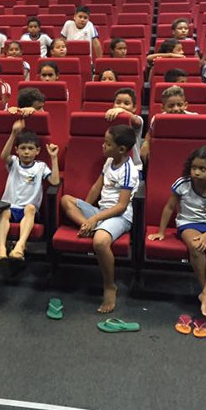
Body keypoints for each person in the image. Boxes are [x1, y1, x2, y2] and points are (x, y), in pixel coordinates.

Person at [60, 125, 139, 313]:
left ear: (121, 149)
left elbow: (121, 206)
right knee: (66, 200)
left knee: (100, 242)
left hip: (119, 216)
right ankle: (87, 226)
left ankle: (110, 286)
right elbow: (96, 188)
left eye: (108, 143)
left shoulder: (129, 171)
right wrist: (86, 213)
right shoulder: (109, 162)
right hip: (101, 212)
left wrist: (94, 218)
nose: (103, 146)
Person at [148, 146, 206, 318]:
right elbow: (169, 207)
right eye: (194, 168)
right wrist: (161, 231)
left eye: (203, 169)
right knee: (196, 246)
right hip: (188, 223)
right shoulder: (182, 184)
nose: (196, 172)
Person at [0, 120, 60, 262]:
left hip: (28, 211)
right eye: (23, 148)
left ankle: (20, 246)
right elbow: (3, 156)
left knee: (30, 208)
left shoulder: (41, 166)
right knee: (4, 211)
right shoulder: (14, 163)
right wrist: (13, 134)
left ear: (37, 151)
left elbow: (55, 181)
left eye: (31, 148)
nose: (26, 152)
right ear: (17, 150)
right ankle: (1, 249)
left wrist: (54, 158)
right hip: (10, 206)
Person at [140, 85, 197, 162]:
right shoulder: (157, 119)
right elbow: (150, 133)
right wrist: (146, 143)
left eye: (179, 105)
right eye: (171, 106)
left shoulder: (195, 118)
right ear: (163, 107)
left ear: (185, 105)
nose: (176, 109)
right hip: (165, 155)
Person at [103, 87, 144, 171]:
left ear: (134, 108)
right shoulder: (110, 119)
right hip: (112, 166)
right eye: (118, 103)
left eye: (126, 103)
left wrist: (121, 111)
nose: (122, 106)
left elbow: (137, 122)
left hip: (134, 168)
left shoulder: (137, 119)